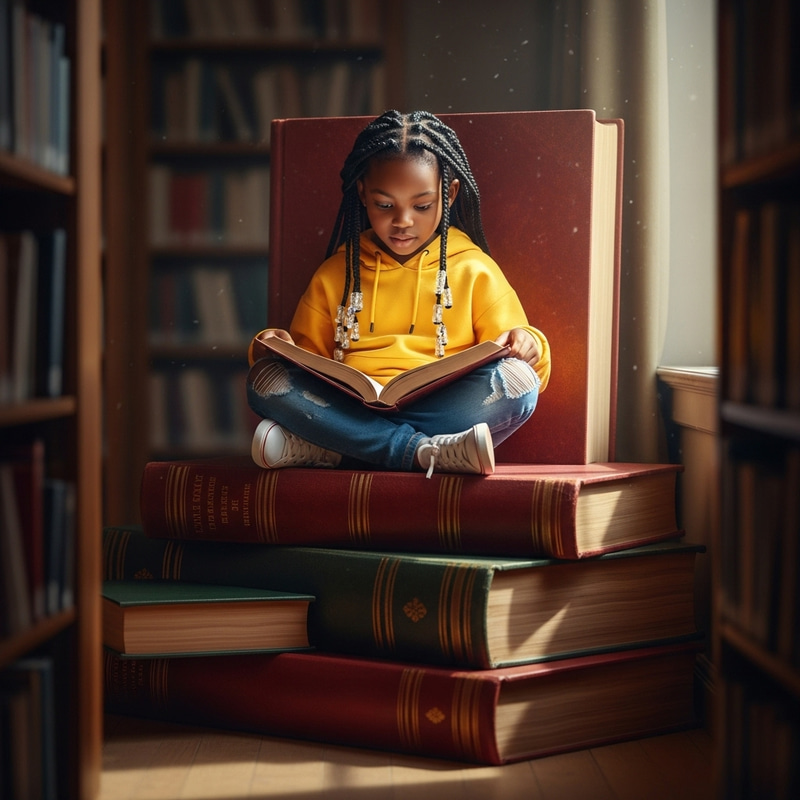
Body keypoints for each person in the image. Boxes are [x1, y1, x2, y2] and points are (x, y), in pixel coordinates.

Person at [246, 110, 550, 477]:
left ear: (449, 194)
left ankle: (335, 449)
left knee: (518, 382)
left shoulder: (474, 268)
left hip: (441, 409)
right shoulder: (334, 274)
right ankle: (424, 452)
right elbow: (308, 364)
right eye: (385, 205)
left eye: (422, 206)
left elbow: (516, 355)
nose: (403, 221)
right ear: (362, 194)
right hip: (350, 408)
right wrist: (277, 347)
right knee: (266, 380)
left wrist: (528, 342)